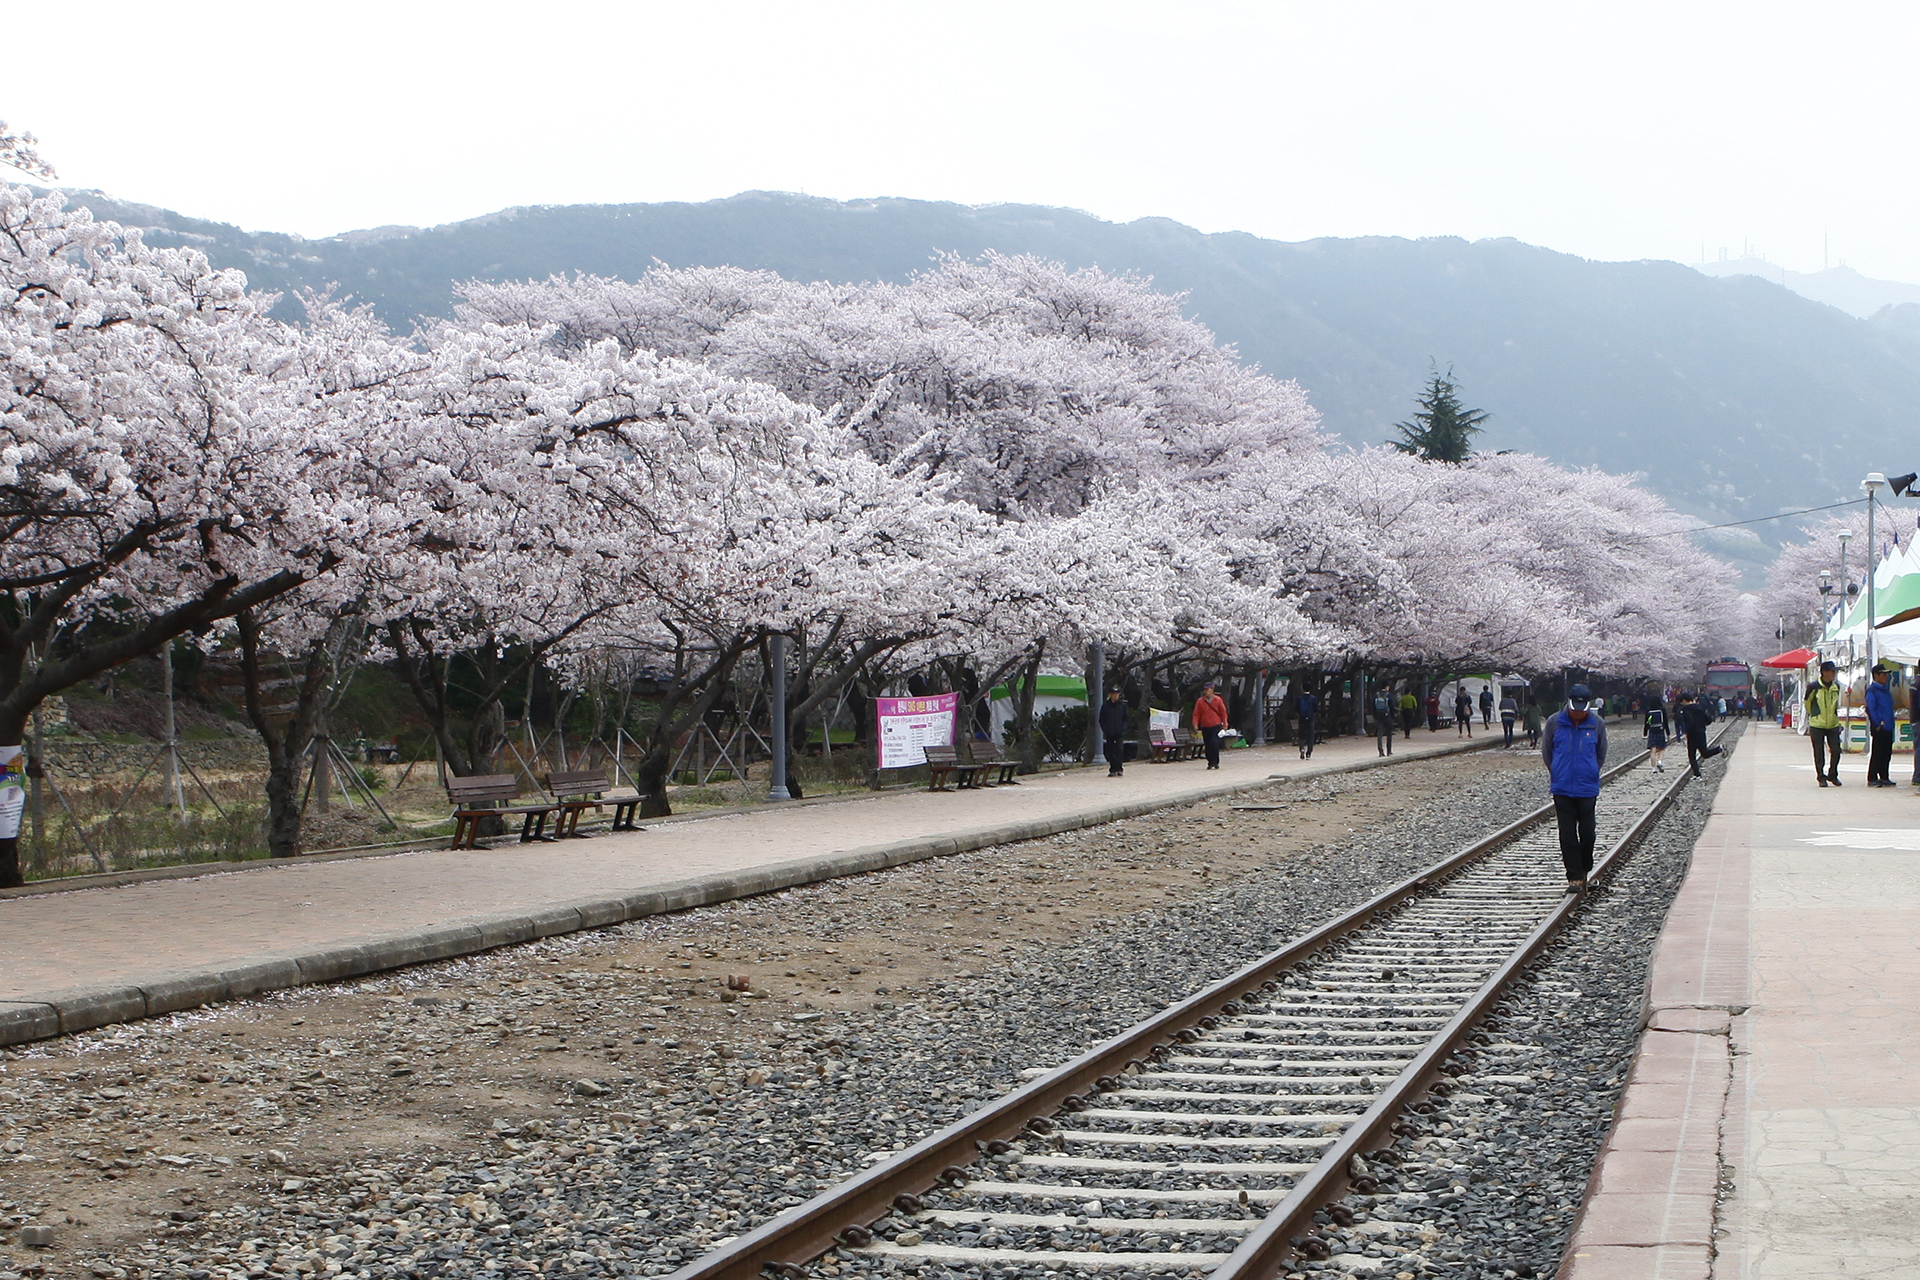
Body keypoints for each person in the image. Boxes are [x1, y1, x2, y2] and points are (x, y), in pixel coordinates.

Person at [1542, 683, 1608, 892]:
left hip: (1587, 787)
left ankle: (1585, 867)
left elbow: (1601, 753)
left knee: (1588, 833)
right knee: (1567, 833)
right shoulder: (1554, 722)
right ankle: (1574, 877)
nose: (1578, 712)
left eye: (1582, 708)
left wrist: (1590, 771)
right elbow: (1547, 751)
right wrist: (1557, 771)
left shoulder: (1597, 724)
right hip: (1562, 787)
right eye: (1575, 707)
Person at [1806, 661, 1843, 787]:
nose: (1834, 674)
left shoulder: (1836, 687)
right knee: (1819, 752)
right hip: (1817, 724)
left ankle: (1833, 774)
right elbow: (1807, 703)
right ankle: (1821, 776)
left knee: (1836, 750)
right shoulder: (1813, 687)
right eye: (1832, 671)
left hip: (1832, 724)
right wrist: (1815, 715)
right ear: (1824, 672)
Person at [1677, 692, 1722, 778]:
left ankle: (1697, 775)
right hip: (1701, 733)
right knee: (1704, 753)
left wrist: (1686, 732)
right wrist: (1701, 725)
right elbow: (1708, 720)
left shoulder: (1686, 709)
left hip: (1692, 734)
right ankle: (1719, 749)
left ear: (1684, 700)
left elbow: (1690, 721)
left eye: (1682, 701)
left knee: (1692, 756)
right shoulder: (1699, 707)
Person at [1866, 664, 1895, 786]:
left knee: (1886, 753)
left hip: (1888, 726)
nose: (1886, 677)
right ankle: (1872, 777)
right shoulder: (1872, 690)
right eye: (1883, 674)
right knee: (1877, 752)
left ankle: (1884, 776)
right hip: (1880, 726)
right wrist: (1877, 723)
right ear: (1876, 676)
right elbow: (1871, 709)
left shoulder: (1885, 690)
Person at [1194, 680, 1230, 770]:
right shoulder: (1200, 701)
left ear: (1212, 689)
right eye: (1205, 689)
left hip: (1216, 725)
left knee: (1214, 743)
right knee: (1208, 745)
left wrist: (1225, 723)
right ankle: (1210, 762)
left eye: (1208, 689)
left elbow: (1223, 712)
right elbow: (1196, 714)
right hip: (1205, 726)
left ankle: (1216, 761)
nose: (1206, 691)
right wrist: (1195, 724)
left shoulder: (1218, 700)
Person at [1098, 686, 1129, 777]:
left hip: (1119, 732)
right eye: (1113, 694)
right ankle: (1112, 769)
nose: (1115, 696)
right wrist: (1105, 729)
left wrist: (1123, 728)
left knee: (1119, 750)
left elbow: (1126, 719)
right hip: (1109, 732)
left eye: (1117, 694)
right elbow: (1102, 719)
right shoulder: (1105, 706)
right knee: (1111, 751)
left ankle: (1119, 768)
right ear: (1110, 695)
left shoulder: (1123, 706)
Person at [1644, 698, 1669, 773]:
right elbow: (1665, 722)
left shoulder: (1648, 711)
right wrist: (1668, 733)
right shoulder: (1662, 710)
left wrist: (1645, 732)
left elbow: (1647, 722)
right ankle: (1660, 762)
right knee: (1661, 748)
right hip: (1660, 730)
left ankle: (1654, 768)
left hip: (1652, 731)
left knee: (1653, 751)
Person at [1295, 687, 1318, 759]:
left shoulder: (1299, 698)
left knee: (1301, 735)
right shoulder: (1313, 698)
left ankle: (1302, 748)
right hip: (1310, 719)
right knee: (1310, 735)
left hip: (1302, 719)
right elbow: (1316, 709)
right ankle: (1309, 753)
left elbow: (1296, 708)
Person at [1372, 687, 1395, 756]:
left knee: (1380, 733)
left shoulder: (1376, 695)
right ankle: (1389, 750)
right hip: (1387, 716)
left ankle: (1380, 751)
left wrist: (1375, 716)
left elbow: (1373, 707)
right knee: (1389, 733)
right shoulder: (1389, 695)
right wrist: (1392, 716)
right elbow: (1392, 707)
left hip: (1379, 716)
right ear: (1387, 687)